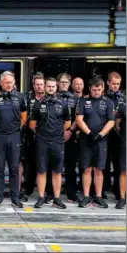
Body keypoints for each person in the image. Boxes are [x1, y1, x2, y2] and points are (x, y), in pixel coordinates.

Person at [0, 71, 27, 208]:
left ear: (14, 83)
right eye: (6, 82)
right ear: (1, 83)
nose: (8, 85)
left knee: (14, 168)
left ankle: (15, 198)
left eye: (11, 82)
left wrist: (15, 128)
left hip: (14, 135)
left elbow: (24, 117)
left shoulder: (20, 98)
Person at [29, 77, 71, 209]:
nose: (51, 88)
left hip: (58, 141)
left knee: (57, 171)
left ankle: (57, 198)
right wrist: (41, 132)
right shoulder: (38, 103)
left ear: (57, 87)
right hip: (42, 141)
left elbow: (68, 122)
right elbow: (32, 124)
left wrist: (57, 132)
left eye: (53, 86)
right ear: (44, 87)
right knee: (41, 170)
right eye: (48, 86)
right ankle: (41, 197)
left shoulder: (63, 104)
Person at [76, 76, 115, 208]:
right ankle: (86, 196)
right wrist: (89, 133)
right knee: (86, 168)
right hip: (86, 139)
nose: (96, 92)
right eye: (94, 90)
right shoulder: (83, 100)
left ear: (103, 88)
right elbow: (79, 119)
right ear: (90, 89)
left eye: (99, 90)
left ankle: (98, 196)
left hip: (101, 140)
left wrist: (101, 134)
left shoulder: (108, 102)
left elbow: (111, 121)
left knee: (99, 169)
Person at [56, 73, 80, 203]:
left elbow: (78, 118)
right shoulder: (52, 97)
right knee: (54, 166)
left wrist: (69, 131)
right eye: (62, 82)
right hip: (55, 135)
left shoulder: (75, 98)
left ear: (70, 84)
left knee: (70, 167)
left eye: (66, 82)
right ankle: (52, 194)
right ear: (58, 83)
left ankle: (72, 194)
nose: (64, 84)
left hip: (70, 136)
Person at [22, 73, 45, 199]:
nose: (39, 87)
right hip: (29, 135)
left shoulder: (49, 98)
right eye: (37, 84)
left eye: (41, 84)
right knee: (29, 163)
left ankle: (46, 190)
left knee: (44, 164)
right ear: (33, 85)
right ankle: (28, 188)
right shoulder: (26, 98)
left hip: (46, 135)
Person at [105, 72, 125, 201]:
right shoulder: (102, 96)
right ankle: (102, 190)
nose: (116, 86)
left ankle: (119, 191)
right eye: (113, 84)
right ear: (108, 83)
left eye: (118, 84)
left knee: (119, 164)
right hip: (104, 133)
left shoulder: (123, 97)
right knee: (103, 163)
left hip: (119, 134)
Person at [115, 103, 126, 209]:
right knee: (124, 171)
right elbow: (117, 125)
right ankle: (122, 198)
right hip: (125, 142)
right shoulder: (123, 107)